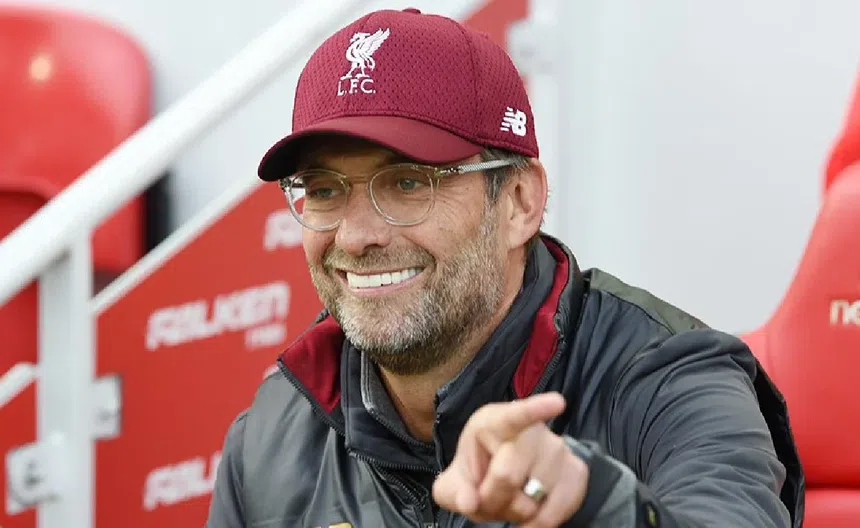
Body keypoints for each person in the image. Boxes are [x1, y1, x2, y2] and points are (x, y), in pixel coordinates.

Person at [206, 7, 803, 528]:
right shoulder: (272, 434)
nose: (358, 236)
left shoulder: (671, 377)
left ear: (520, 202)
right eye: (323, 189)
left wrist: (595, 504)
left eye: (408, 183)